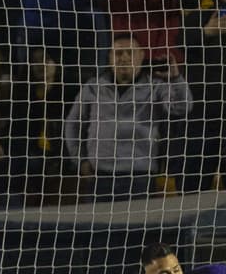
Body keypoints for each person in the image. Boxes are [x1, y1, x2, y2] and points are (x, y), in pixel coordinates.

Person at [63, 34, 191, 201]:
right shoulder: (93, 87)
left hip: (140, 177)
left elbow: (182, 108)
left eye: (130, 53)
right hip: (100, 176)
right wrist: (80, 160)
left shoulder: (156, 87)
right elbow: (72, 124)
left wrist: (175, 78)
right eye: (118, 53)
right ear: (109, 57)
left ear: (141, 56)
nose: (124, 58)